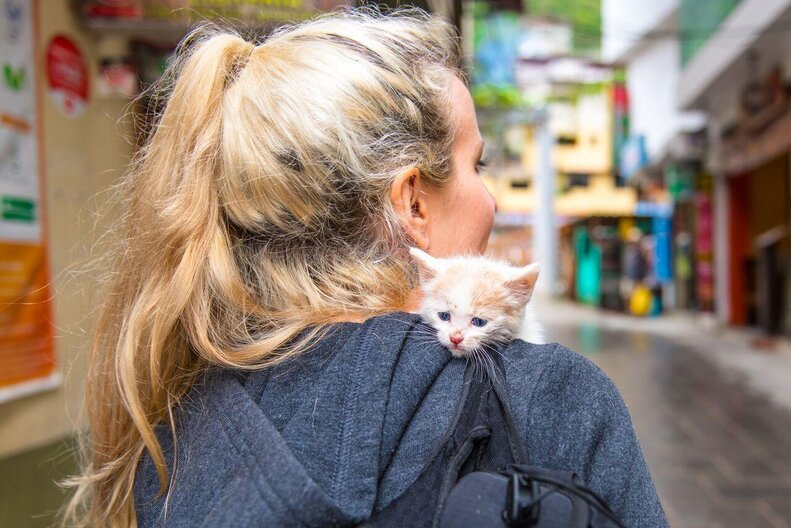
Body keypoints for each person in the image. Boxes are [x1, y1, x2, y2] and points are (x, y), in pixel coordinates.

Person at [65, 8, 668, 527]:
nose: (491, 201)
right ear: (413, 203)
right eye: (477, 166)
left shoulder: (175, 421)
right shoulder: (554, 397)